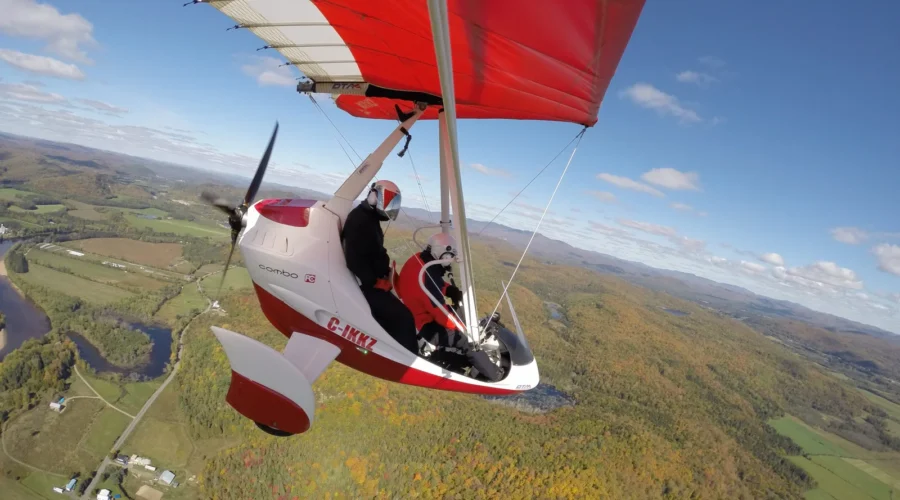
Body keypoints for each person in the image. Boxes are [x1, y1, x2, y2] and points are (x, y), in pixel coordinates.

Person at [397, 233, 502, 381]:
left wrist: (448, 290)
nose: (451, 259)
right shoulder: (427, 276)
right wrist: (466, 331)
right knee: (466, 341)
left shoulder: (420, 259)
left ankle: (474, 329)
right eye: (450, 255)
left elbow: (431, 286)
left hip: (412, 308)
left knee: (458, 308)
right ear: (444, 254)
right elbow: (443, 316)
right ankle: (495, 374)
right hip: (423, 324)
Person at [341, 180, 418, 353]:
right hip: (367, 285)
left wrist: (386, 272)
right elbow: (353, 258)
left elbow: (374, 250)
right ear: (374, 196)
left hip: (375, 279)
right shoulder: (360, 220)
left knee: (404, 306)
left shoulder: (369, 218)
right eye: (389, 200)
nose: (391, 206)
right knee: (404, 317)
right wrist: (374, 282)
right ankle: (407, 357)